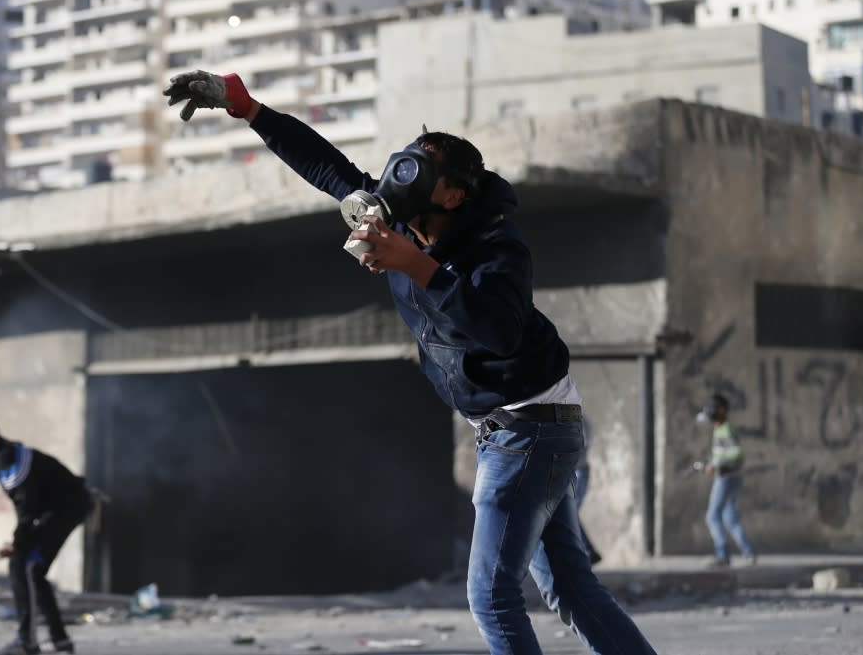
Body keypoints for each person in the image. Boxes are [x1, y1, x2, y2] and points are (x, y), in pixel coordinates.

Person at [163, 70, 659, 655]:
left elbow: (496, 332)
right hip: (519, 429)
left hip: (528, 432)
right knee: (571, 589)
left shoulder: (497, 248)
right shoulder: (400, 221)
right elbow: (327, 168)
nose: (402, 176)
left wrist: (415, 266)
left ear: (454, 193)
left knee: (492, 597)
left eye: (422, 170)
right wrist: (247, 107)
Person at [0, 418, 93, 655]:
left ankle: (27, 642)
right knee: (31, 569)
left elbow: (27, 505)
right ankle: (59, 641)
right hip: (55, 509)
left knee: (27, 565)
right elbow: (30, 506)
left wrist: (19, 542)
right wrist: (20, 541)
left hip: (68, 507)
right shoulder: (0, 459)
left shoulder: (8, 458)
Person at [698, 395, 757, 567]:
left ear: (722, 410)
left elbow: (736, 453)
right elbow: (723, 453)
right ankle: (748, 553)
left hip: (726, 478)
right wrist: (711, 464)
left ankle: (722, 555)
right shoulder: (720, 429)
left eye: (714, 408)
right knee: (730, 518)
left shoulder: (725, 429)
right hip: (731, 477)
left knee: (712, 516)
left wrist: (715, 466)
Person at [574, 417, 603, 566]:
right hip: (570, 471)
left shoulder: (577, 418)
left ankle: (588, 551)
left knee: (569, 513)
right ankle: (589, 551)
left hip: (578, 471)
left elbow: (584, 442)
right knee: (567, 513)